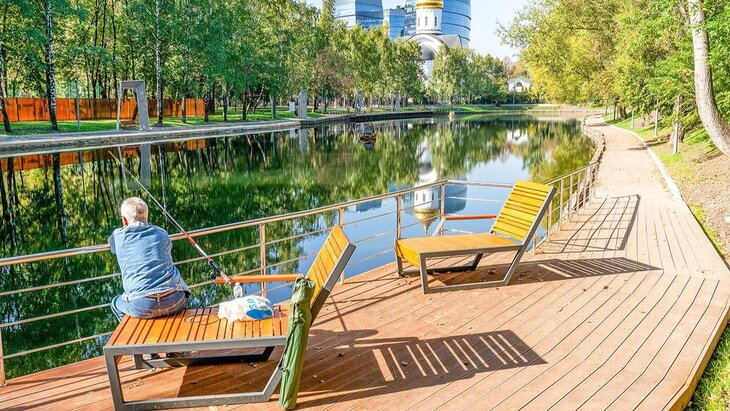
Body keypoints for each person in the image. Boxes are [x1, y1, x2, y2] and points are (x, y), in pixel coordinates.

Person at [109, 197, 189, 321]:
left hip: (141, 305)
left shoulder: (117, 236)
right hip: (175, 299)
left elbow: (112, 246)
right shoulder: (162, 233)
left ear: (123, 220)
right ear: (146, 216)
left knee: (115, 303)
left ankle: (130, 331)